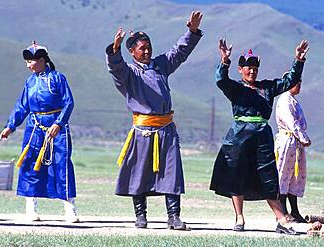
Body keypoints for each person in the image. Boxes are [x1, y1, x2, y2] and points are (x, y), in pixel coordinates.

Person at [105, 11, 203, 230]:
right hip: (143, 131)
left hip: (166, 129)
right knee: (139, 172)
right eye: (142, 48)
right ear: (132, 52)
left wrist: (192, 31)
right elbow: (115, 67)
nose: (147, 51)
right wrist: (114, 50)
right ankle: (140, 216)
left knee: (172, 171)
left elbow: (179, 52)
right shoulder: (128, 74)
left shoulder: (160, 65)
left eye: (149, 47)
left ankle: (173, 217)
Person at [210, 38, 309, 234]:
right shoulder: (236, 89)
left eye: (255, 67)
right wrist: (224, 61)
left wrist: (298, 60)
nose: (252, 71)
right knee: (236, 174)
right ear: (241, 69)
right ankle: (239, 218)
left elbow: (289, 81)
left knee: (269, 176)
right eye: (248, 67)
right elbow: (220, 80)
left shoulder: (267, 87)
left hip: (262, 136)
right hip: (239, 137)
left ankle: (281, 220)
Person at [0, 42, 78, 223]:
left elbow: (68, 102)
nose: (28, 65)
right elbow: (22, 106)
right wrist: (11, 126)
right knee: (29, 163)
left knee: (61, 164)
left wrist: (59, 123)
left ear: (42, 60)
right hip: (34, 127)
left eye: (31, 61)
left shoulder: (58, 78)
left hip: (56, 129)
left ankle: (69, 209)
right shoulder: (30, 81)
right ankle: (30, 208)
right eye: (26, 62)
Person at [275, 76, 311, 223]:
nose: (299, 85)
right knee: (284, 175)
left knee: (294, 177)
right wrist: (302, 137)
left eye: (300, 82)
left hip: (295, 143)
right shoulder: (284, 100)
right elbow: (291, 121)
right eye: (296, 83)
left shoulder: (292, 100)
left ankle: (294, 211)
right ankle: (282, 211)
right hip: (287, 141)